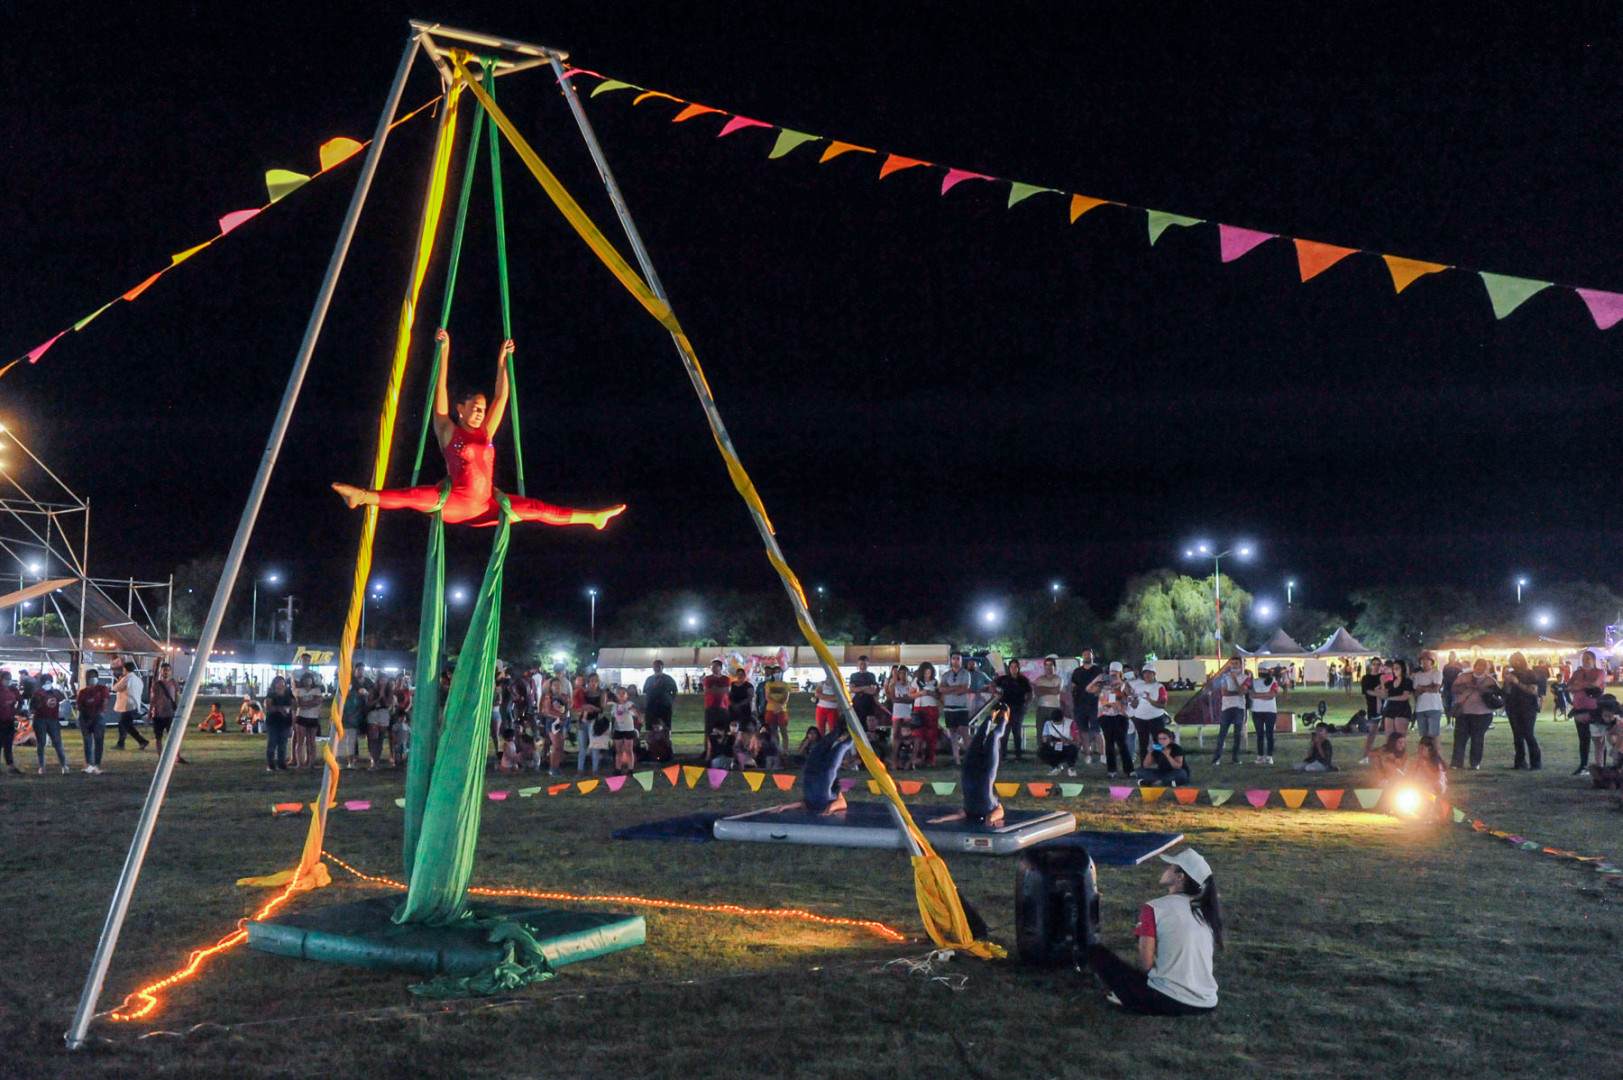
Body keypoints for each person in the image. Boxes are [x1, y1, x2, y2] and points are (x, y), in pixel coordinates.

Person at [332, 329, 625, 530]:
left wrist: (502, 362)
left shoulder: (486, 433)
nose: (479, 412)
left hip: (487, 506)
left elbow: (502, 397)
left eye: (482, 409)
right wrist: (444, 352)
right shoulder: (447, 429)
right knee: (414, 495)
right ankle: (361, 495)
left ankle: (594, 517)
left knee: (538, 508)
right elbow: (440, 391)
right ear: (460, 408)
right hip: (454, 504)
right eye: (474, 407)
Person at [1086, 848, 1221, 1015]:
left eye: (1171, 867)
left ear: (1180, 877)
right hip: (1206, 1002)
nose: (1165, 869)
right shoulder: (1204, 912)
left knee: (1095, 952)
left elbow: (1145, 966)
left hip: (1168, 1000)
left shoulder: (1155, 908)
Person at [1450, 658, 1499, 771]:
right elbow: (1454, 688)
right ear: (1475, 666)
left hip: (1483, 713)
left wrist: (1484, 690)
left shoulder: (1490, 680)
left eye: (1484, 667)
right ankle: (1457, 762)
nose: (1481, 669)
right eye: (1479, 666)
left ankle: (1475, 763)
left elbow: (1497, 694)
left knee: (1477, 739)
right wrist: (1467, 685)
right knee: (1460, 739)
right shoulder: (1464, 677)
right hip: (1464, 712)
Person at [1088, 662, 1133, 778]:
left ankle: (1129, 770)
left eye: (1116, 672)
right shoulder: (1103, 684)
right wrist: (1096, 680)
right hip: (1105, 716)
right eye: (1111, 672)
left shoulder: (1124, 684)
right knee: (1109, 743)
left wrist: (1120, 682)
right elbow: (1089, 689)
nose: (1113, 674)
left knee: (1122, 742)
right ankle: (1111, 770)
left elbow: (1130, 693)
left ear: (1120, 673)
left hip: (1120, 715)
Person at [1569, 649, 1608, 776]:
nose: (1585, 661)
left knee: (1598, 739)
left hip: (1595, 710)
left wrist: (1580, 684)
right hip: (1579, 709)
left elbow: (1596, 684)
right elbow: (1569, 687)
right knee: (1583, 739)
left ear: (1593, 660)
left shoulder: (1600, 672)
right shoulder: (1577, 673)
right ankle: (1583, 765)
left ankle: (1602, 765)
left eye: (1588, 658)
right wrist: (1585, 685)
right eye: (1583, 658)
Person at [1502, 651, 1543, 771]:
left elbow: (1533, 690)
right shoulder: (1511, 674)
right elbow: (1506, 691)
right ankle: (1519, 761)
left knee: (1528, 734)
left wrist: (1517, 683)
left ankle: (1536, 762)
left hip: (1528, 707)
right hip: (1513, 706)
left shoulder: (1530, 674)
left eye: (1515, 661)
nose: (1513, 663)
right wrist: (1508, 684)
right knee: (1517, 735)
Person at [801, 728, 855, 815]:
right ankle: (843, 728)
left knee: (840, 745)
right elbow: (801, 803)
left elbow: (839, 804)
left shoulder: (828, 796)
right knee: (830, 743)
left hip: (819, 771)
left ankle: (845, 729)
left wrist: (828, 811)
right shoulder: (814, 798)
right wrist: (828, 811)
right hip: (812, 770)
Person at [1212, 657, 1250, 767]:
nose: (1234, 666)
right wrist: (1238, 692)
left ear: (1241, 665)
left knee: (1237, 734)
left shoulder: (1245, 678)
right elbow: (1224, 692)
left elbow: (1243, 691)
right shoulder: (1224, 677)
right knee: (1222, 733)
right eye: (1232, 664)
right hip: (1226, 708)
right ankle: (1217, 757)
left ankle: (1235, 757)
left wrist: (1235, 681)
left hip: (1239, 708)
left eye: (1236, 664)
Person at [1127, 663, 1170, 758]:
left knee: (1158, 742)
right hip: (1140, 719)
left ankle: (1159, 760)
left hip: (1156, 718)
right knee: (1143, 743)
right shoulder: (1139, 686)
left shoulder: (1159, 687)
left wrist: (1149, 700)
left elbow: (1162, 705)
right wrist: (1132, 701)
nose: (1147, 675)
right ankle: (1144, 764)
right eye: (1145, 673)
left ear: (1154, 674)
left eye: (1149, 673)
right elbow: (1135, 704)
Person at [1070, 650, 1104, 764]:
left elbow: (1102, 687)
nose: (1086, 656)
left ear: (1092, 656)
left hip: (1094, 705)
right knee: (1082, 731)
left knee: (1097, 730)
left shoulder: (1098, 671)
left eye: (1088, 655)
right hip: (1079, 705)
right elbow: (1073, 687)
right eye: (1084, 655)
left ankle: (1103, 755)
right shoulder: (1077, 671)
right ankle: (1087, 755)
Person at [31, 673, 69, 775]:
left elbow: (64, 699)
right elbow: (33, 707)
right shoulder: (38, 693)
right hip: (40, 720)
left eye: (49, 681)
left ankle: (64, 765)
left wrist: (62, 687)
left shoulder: (55, 692)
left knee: (58, 744)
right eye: (46, 682)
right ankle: (42, 766)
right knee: (41, 743)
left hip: (53, 720)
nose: (48, 684)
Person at [75, 668, 110, 775]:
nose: (89, 679)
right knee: (87, 741)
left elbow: (105, 701)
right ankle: (89, 763)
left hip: (97, 717)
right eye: (88, 677)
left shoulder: (102, 689)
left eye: (91, 676)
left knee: (98, 741)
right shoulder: (83, 692)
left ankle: (97, 764)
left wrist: (97, 711)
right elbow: (79, 705)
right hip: (86, 718)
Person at [939, 652, 973, 765]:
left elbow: (964, 689)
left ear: (961, 660)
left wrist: (949, 689)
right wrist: (955, 689)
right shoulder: (946, 675)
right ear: (951, 660)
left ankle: (970, 759)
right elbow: (941, 689)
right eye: (953, 658)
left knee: (965, 734)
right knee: (953, 735)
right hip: (949, 708)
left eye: (958, 658)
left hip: (961, 707)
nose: (955, 660)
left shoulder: (966, 674)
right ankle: (957, 760)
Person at [149, 662, 186, 763]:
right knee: (158, 737)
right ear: (161, 671)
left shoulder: (174, 683)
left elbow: (177, 696)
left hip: (170, 714)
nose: (166, 672)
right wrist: (149, 713)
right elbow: (153, 699)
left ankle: (177, 756)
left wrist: (178, 709)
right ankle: (160, 757)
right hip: (158, 714)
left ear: (170, 672)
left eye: (168, 670)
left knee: (174, 736)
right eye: (164, 670)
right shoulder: (156, 684)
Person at [112, 660, 148, 751]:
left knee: (126, 725)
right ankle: (121, 743)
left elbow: (116, 688)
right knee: (124, 725)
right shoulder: (138, 679)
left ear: (125, 669)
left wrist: (120, 680)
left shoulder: (126, 679)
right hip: (135, 705)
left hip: (127, 705)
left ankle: (141, 741)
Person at [263, 674, 296, 772]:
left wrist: (288, 708)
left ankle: (281, 763)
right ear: (275, 684)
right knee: (272, 743)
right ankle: (271, 764)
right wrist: (279, 709)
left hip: (285, 721)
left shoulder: (288, 693)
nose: (281, 684)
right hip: (273, 721)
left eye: (282, 682)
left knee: (283, 743)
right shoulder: (271, 694)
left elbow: (294, 704)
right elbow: (268, 706)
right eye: (278, 683)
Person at [885, 665, 916, 767]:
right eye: (901, 673)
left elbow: (911, 698)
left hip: (907, 712)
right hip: (897, 712)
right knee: (896, 735)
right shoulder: (895, 684)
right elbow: (893, 698)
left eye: (905, 673)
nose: (903, 675)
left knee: (908, 734)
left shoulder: (910, 685)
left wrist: (903, 699)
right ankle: (894, 758)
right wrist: (904, 699)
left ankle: (908, 756)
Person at [912, 661, 941, 768]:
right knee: (918, 734)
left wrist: (930, 693)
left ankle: (931, 759)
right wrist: (920, 693)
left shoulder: (935, 682)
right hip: (919, 708)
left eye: (929, 671)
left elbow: (939, 696)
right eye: (925, 672)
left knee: (931, 734)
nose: (927, 674)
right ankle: (916, 759)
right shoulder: (916, 681)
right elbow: (911, 695)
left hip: (932, 708)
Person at [1412, 652, 1445, 743]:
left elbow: (1435, 688)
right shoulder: (1418, 675)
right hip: (1421, 708)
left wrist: (1422, 687)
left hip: (1433, 706)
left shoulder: (1436, 673)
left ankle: (1436, 755)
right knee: (1424, 736)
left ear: (1432, 661)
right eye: (1423, 659)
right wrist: (1429, 686)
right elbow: (1416, 691)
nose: (1425, 662)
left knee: (1433, 735)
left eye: (1427, 659)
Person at [579, 672, 607, 774]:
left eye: (596, 681)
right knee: (582, 746)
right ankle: (580, 769)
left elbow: (602, 708)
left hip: (595, 722)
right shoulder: (584, 693)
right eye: (592, 681)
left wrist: (591, 707)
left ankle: (595, 770)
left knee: (595, 747)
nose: (594, 683)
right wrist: (585, 707)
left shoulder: (602, 693)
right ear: (588, 682)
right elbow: (579, 705)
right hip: (583, 721)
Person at [641, 659, 678, 738]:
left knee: (666, 725)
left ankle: (666, 743)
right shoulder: (649, 679)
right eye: (655, 666)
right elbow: (645, 691)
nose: (656, 668)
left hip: (664, 706)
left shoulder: (668, 679)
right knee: (650, 726)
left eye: (658, 666)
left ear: (662, 667)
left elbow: (674, 691)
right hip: (651, 706)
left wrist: (670, 701)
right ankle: (652, 744)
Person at [293, 674, 323, 768]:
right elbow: (300, 703)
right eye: (305, 679)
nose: (307, 681)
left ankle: (311, 762)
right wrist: (310, 703)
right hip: (302, 716)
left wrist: (306, 704)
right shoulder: (298, 691)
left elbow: (317, 701)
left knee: (312, 741)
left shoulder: (317, 690)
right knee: (300, 740)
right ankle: (299, 762)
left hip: (313, 717)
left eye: (309, 679)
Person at [610, 685, 641, 774]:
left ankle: (630, 768)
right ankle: (618, 768)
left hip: (628, 729)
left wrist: (638, 716)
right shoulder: (615, 706)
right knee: (618, 750)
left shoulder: (629, 704)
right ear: (616, 695)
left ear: (627, 695)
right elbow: (613, 717)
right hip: (618, 729)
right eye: (619, 694)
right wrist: (612, 729)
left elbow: (633, 710)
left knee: (629, 750)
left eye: (623, 693)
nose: (621, 695)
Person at [1037, 710, 1079, 775]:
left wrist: (1067, 741)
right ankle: (1056, 767)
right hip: (1054, 746)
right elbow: (1044, 738)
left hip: (1067, 747)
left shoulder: (1071, 723)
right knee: (1042, 751)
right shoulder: (1048, 724)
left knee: (1073, 749)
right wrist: (1050, 740)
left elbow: (1077, 742)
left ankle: (1071, 768)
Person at [702, 659, 732, 748]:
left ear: (720, 668)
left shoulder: (726, 679)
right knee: (709, 730)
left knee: (724, 729)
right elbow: (707, 690)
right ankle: (708, 750)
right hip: (710, 706)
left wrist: (714, 690)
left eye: (715, 667)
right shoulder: (707, 679)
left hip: (723, 707)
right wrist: (720, 690)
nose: (713, 669)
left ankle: (722, 748)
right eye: (712, 667)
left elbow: (726, 690)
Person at [847, 656, 881, 734]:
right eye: (861, 664)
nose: (863, 666)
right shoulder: (853, 676)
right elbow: (853, 689)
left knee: (868, 724)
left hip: (869, 703)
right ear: (858, 664)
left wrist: (859, 689)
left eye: (864, 664)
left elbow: (873, 691)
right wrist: (866, 687)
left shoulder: (871, 676)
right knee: (856, 723)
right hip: (857, 703)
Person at [0, 670, 21, 775]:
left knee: (8, 745)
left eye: (9, 679)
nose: (7, 681)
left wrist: (17, 711)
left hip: (9, 721)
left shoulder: (13, 690)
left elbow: (19, 701)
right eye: (5, 679)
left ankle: (11, 766)